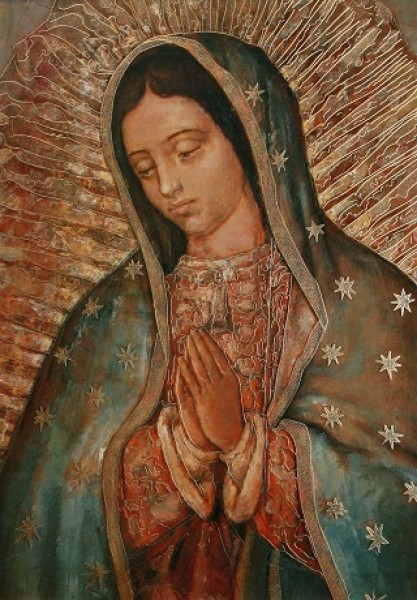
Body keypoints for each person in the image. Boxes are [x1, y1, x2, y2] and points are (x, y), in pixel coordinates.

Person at [0, 33, 416, 600]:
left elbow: (398, 500)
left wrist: (245, 445)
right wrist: (186, 449)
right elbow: (48, 512)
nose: (168, 187)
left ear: (246, 136)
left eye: (187, 150)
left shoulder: (361, 301)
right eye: (144, 168)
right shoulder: (113, 318)